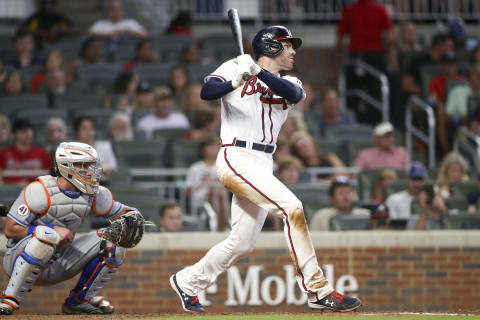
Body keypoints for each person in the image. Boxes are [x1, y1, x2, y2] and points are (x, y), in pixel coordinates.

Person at [169, 26, 361, 314]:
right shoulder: (235, 65)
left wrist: (258, 73)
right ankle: (317, 289)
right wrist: (238, 78)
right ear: (271, 47)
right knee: (291, 207)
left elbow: (293, 95)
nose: (293, 51)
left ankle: (188, 281)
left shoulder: (290, 80)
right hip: (236, 154)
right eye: (287, 45)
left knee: (242, 243)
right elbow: (207, 92)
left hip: (263, 161)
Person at [0, 141, 142, 315]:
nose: (90, 171)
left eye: (91, 165)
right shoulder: (39, 190)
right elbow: (10, 229)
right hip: (18, 259)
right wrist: (51, 229)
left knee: (115, 241)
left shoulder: (94, 193)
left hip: (60, 261)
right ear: (66, 166)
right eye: (83, 165)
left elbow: (121, 211)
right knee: (47, 235)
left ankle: (79, 300)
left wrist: (134, 215)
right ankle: (9, 298)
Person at [336, 0, 394, 124]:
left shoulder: (350, 10)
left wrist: (342, 56)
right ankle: (375, 121)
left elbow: (340, 40)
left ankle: (353, 120)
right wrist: (385, 51)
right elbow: (390, 36)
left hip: (356, 56)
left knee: (352, 92)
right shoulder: (380, 9)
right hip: (375, 56)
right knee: (376, 91)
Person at [385, 162, 446, 230]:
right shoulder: (394, 199)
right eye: (414, 179)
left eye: (419, 179)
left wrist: (439, 204)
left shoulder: (432, 198)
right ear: (407, 179)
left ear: (425, 180)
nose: (417, 183)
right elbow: (392, 226)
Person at [186, 136, 228, 231]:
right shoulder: (195, 168)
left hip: (221, 197)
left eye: (216, 146)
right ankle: (222, 227)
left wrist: (215, 183)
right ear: (203, 149)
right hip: (200, 199)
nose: (213, 149)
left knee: (218, 192)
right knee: (214, 191)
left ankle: (221, 226)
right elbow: (187, 193)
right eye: (210, 146)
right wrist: (203, 182)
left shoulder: (224, 166)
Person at [0, 119, 52, 185]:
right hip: (10, 192)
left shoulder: (43, 154)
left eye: (29, 131)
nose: (28, 134)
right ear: (14, 134)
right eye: (23, 131)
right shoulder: (3, 154)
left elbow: (50, 179)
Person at [74, 116, 118, 182]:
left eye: (91, 128)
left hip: (104, 184)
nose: (88, 132)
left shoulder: (105, 146)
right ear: (77, 132)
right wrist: (101, 170)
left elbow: (112, 167)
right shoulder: (71, 149)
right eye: (84, 129)